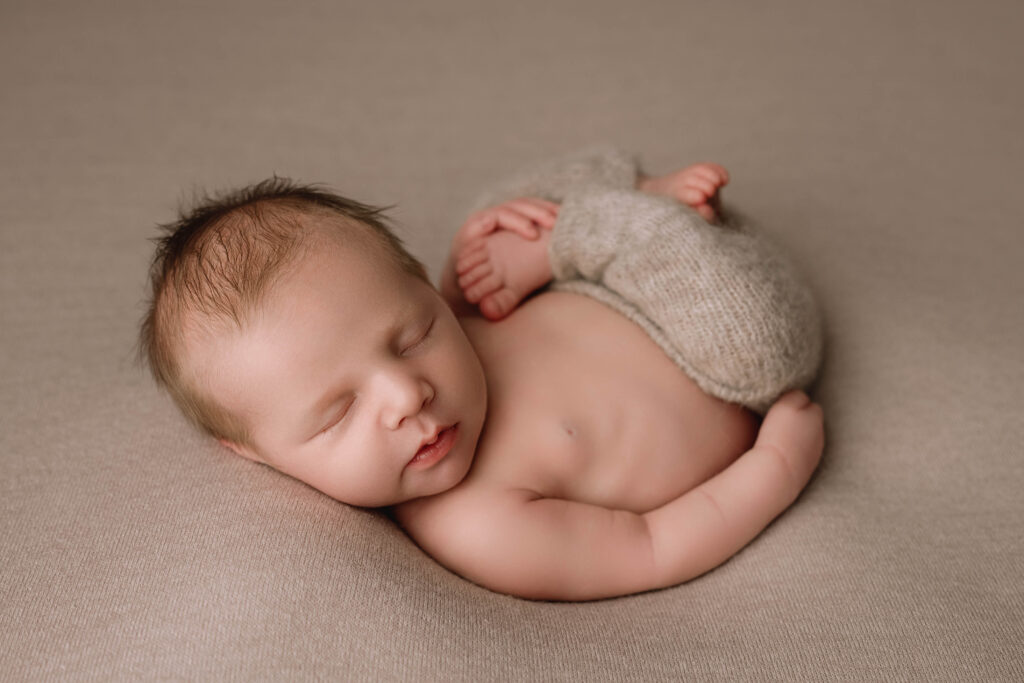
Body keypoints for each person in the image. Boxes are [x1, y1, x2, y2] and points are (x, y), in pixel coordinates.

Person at [138, 145, 824, 601]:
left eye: (412, 336)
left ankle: (637, 197)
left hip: (615, 282)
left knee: (495, 220)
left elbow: (465, 302)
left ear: (423, 293)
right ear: (255, 452)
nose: (408, 394)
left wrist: (468, 286)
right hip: (725, 352)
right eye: (338, 411)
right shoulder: (478, 524)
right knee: (752, 340)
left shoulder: (451, 324)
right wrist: (774, 471)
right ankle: (626, 215)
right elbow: (652, 547)